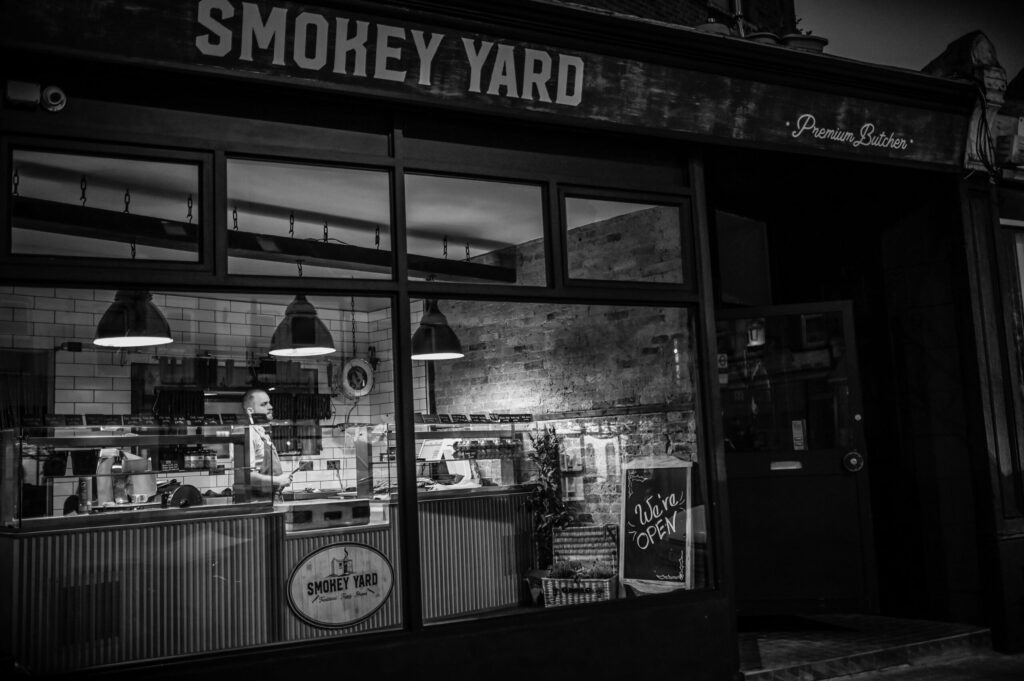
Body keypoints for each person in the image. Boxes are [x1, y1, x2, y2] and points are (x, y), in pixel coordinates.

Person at [242, 388, 292, 498]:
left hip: (270, 499)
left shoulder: (261, 431)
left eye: (269, 403)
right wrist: (277, 480)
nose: (270, 407)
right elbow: (245, 476)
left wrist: (281, 479)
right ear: (250, 411)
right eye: (264, 404)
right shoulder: (248, 433)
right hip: (256, 502)